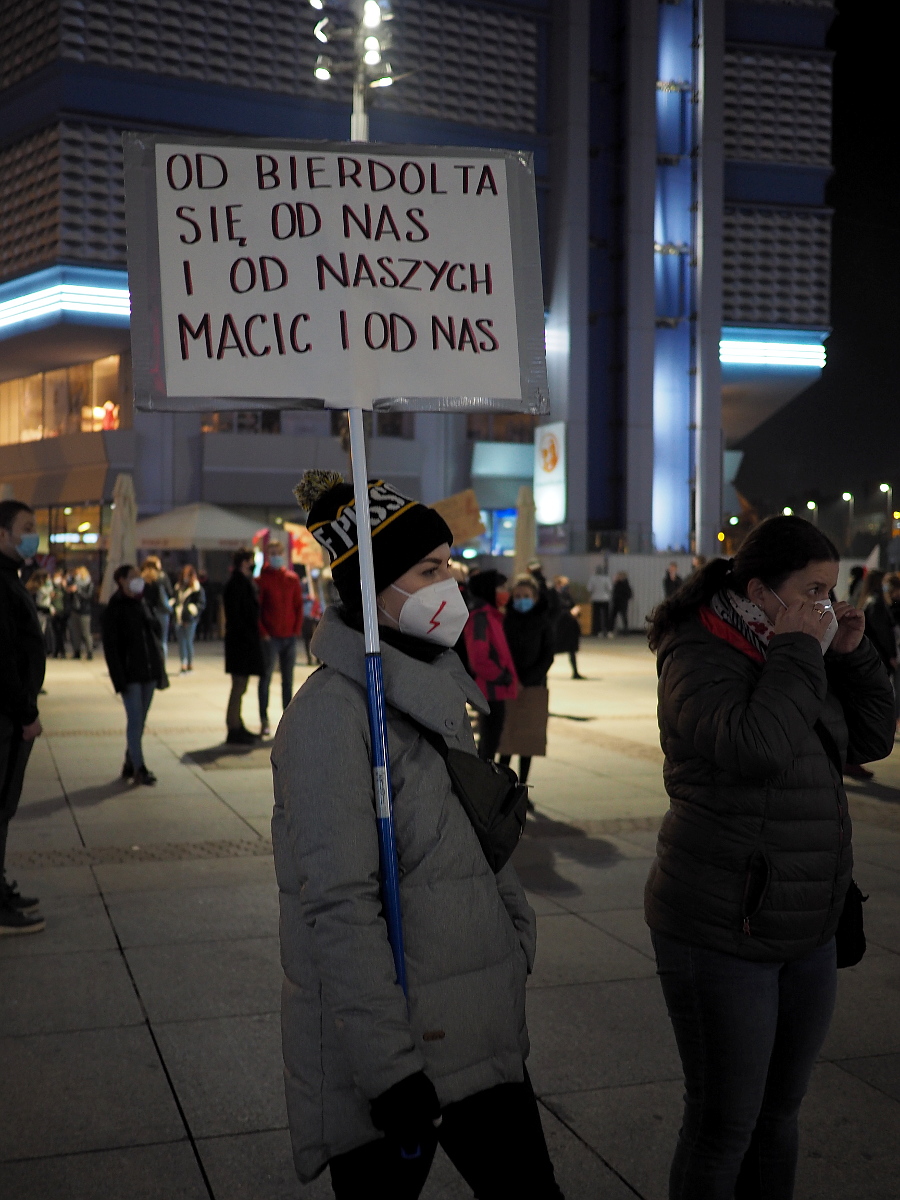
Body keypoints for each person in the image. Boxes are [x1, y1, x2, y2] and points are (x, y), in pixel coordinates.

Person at [272, 469, 561, 1199]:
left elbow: (469, 840)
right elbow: (338, 904)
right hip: (397, 1059)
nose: (450, 585)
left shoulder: (431, 693)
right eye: (430, 571)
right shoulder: (331, 717)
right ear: (375, 591)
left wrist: (514, 932)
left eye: (450, 567)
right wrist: (389, 1070)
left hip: (473, 1029)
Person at [645, 515, 894, 1200]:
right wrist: (799, 651)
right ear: (760, 591)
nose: (826, 604)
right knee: (724, 1125)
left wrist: (853, 656)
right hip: (723, 923)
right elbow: (757, 746)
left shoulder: (802, 650)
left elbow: (871, 739)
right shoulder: (698, 653)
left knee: (779, 1117)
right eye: (812, 591)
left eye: (831, 591)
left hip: (807, 922)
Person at [0, 500, 47, 935]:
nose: (33, 535)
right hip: (7, 717)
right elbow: (5, 660)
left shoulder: (9, 578)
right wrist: (26, 712)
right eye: (26, 527)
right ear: (2, 534)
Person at [101, 564, 168, 785]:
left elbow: (156, 632)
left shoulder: (143, 602)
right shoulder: (115, 607)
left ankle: (130, 762)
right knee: (135, 720)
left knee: (140, 721)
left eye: (139, 576)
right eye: (133, 576)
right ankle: (140, 768)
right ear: (121, 580)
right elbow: (111, 648)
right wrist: (118, 678)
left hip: (149, 670)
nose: (139, 580)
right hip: (130, 674)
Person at [498, 575, 555, 786]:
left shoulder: (543, 622)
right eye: (518, 596)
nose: (522, 600)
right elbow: (499, 653)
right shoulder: (505, 621)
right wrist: (510, 679)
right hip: (507, 686)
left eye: (526, 596)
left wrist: (528, 680)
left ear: (535, 597)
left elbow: (547, 656)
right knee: (506, 741)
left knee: (527, 741)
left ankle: (522, 786)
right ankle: (502, 787)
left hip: (533, 687)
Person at [464, 569, 519, 761]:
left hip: (498, 689)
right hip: (490, 690)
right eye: (501, 587)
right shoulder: (480, 618)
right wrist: (501, 676)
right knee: (488, 745)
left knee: (493, 742)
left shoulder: (492, 616)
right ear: (489, 589)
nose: (506, 592)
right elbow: (479, 658)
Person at [257, 540, 303, 738]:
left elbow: (298, 606)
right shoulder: (262, 580)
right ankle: (264, 720)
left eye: (278, 552)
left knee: (288, 680)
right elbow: (258, 609)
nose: (275, 556)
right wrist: (264, 632)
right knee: (265, 678)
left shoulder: (292, 579)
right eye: (272, 553)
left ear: (283, 554)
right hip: (271, 638)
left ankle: (287, 721)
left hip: (289, 637)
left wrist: (296, 629)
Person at [222, 549, 264, 744]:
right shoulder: (237, 584)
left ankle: (237, 724)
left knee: (241, 686)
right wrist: (247, 636)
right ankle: (234, 727)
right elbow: (238, 615)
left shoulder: (243, 582)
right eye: (251, 560)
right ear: (244, 562)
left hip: (242, 642)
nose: (253, 564)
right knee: (238, 686)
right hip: (240, 643)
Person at [173, 564, 205, 673]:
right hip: (178, 617)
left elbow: (201, 603)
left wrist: (191, 612)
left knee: (188, 641)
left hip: (190, 619)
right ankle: (183, 663)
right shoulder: (178, 587)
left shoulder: (196, 588)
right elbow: (175, 600)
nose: (185, 577)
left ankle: (190, 663)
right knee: (181, 642)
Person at [552, 575, 584, 679]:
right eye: (564, 584)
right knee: (553, 650)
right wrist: (569, 613)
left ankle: (575, 672)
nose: (566, 586)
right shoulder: (554, 596)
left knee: (572, 650)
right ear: (558, 584)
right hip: (560, 626)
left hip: (570, 627)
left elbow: (572, 606)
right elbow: (556, 611)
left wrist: (576, 611)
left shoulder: (567, 596)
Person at [143, 555, 173, 655]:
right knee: (162, 640)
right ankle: (161, 661)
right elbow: (170, 592)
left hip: (147, 611)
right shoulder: (162, 577)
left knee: (149, 638)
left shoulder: (142, 577)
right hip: (161, 610)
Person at [66, 565, 94, 659]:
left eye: (78, 574)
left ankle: (89, 652)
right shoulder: (74, 583)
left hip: (84, 611)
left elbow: (88, 596)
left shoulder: (88, 584)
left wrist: (77, 591)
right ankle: (77, 651)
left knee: (86, 632)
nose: (76, 576)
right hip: (74, 610)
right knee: (75, 632)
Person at [49, 566, 69, 658]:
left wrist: (65, 587)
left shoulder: (63, 588)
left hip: (63, 612)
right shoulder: (52, 587)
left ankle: (60, 651)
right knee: (56, 632)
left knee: (61, 632)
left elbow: (67, 599)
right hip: (54, 611)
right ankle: (58, 651)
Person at [587, 564, 612, 635]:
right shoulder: (606, 578)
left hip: (595, 599)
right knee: (606, 616)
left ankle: (597, 631)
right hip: (605, 599)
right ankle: (607, 630)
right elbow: (610, 588)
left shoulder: (592, 578)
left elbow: (589, 589)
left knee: (596, 616)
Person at [610, 571, 632, 636]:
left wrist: (624, 599)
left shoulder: (625, 584)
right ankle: (611, 629)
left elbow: (629, 594)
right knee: (613, 616)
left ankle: (626, 630)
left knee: (623, 616)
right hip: (616, 602)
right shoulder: (617, 584)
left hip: (622, 603)